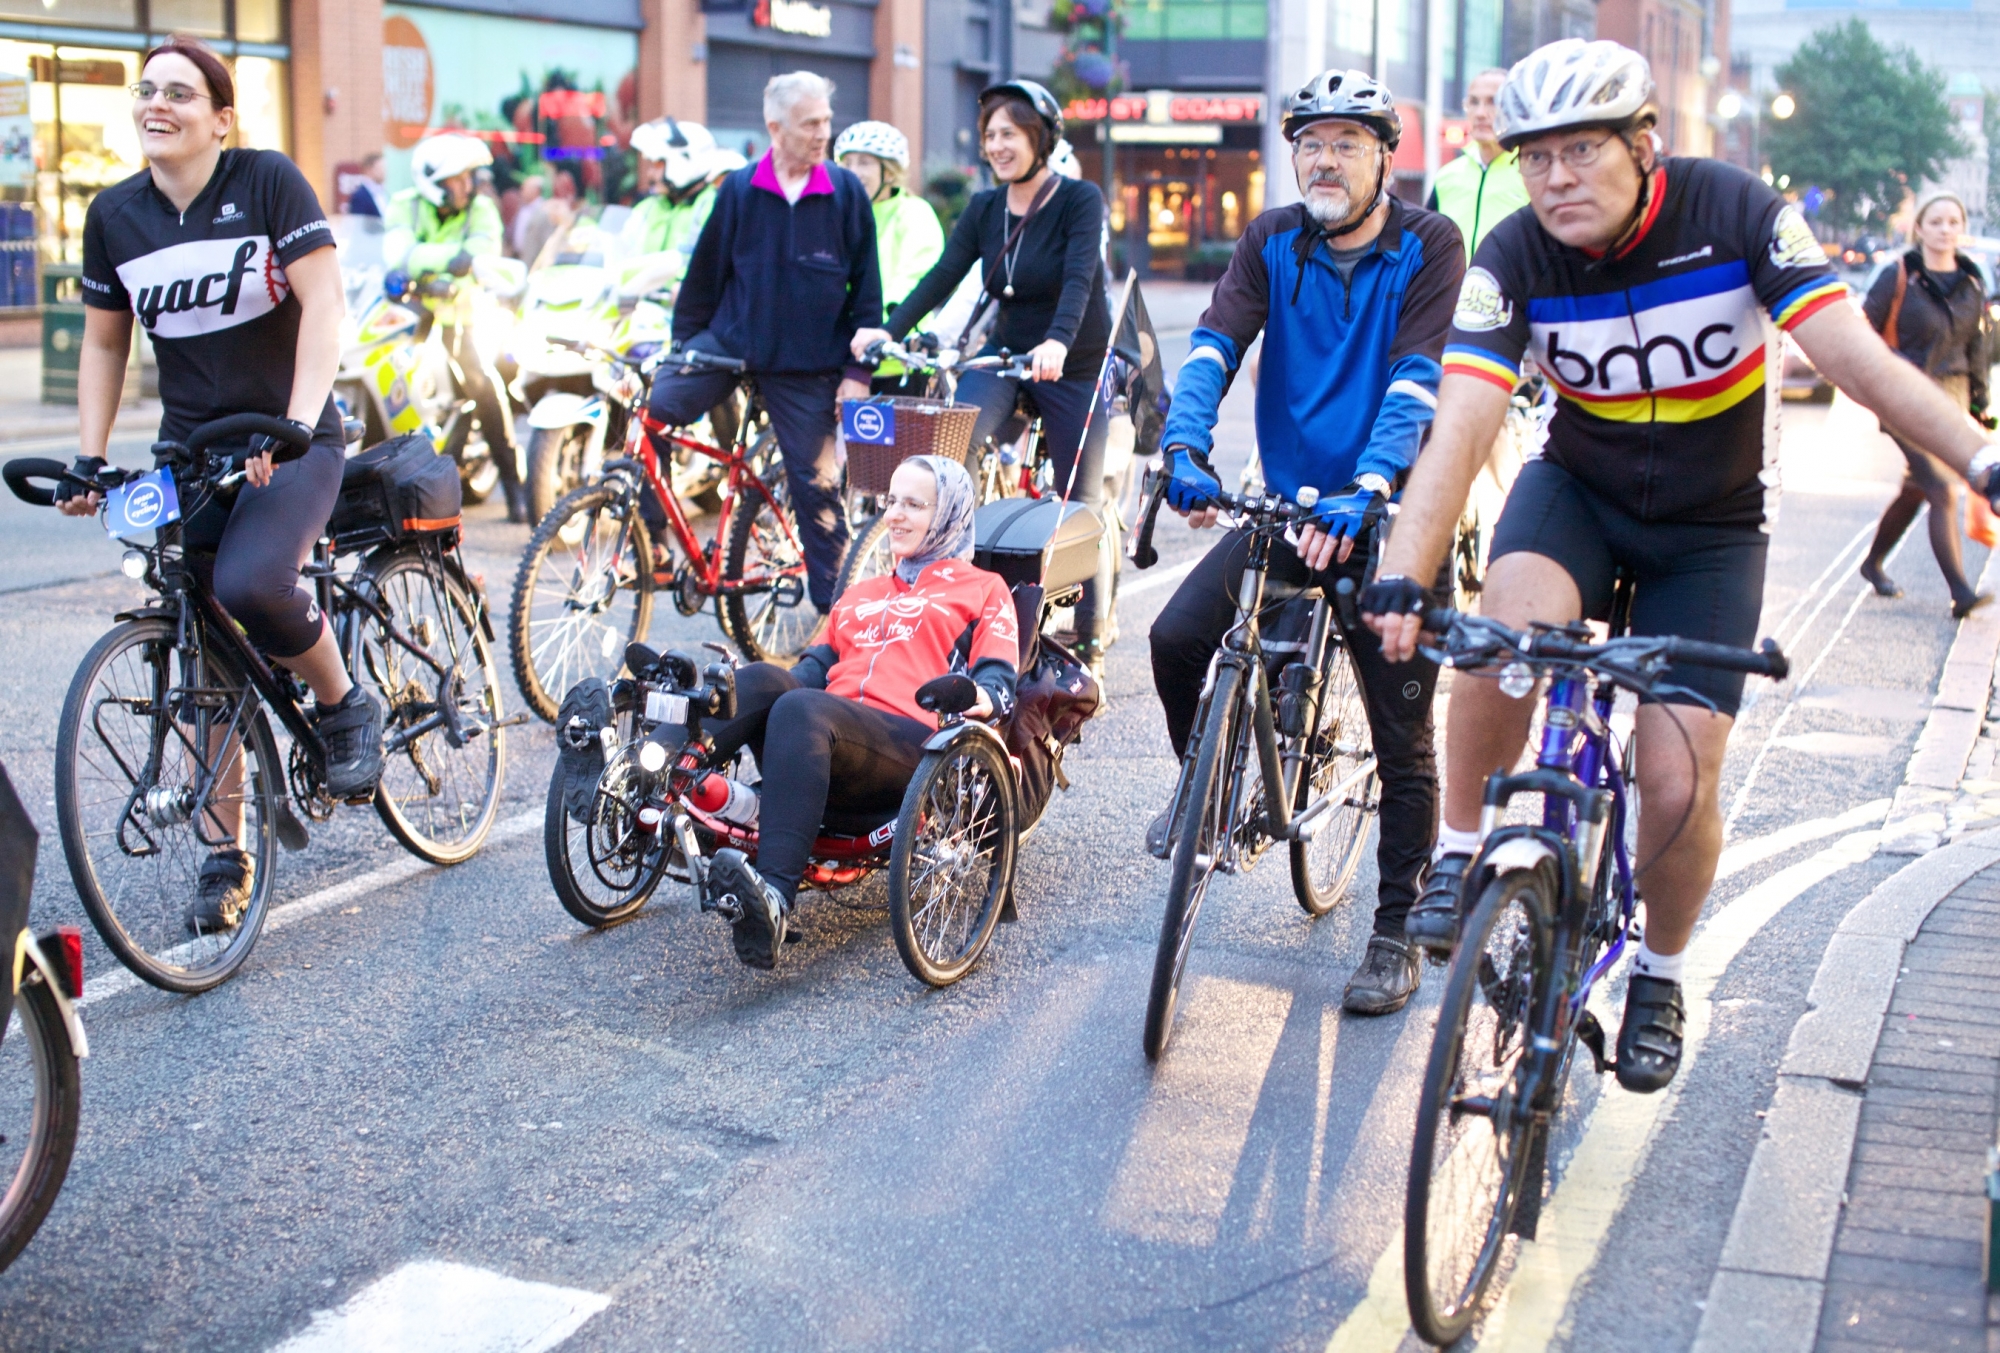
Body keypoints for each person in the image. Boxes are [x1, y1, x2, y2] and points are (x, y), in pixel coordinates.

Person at [1360, 38, 2000, 1094]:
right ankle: (1460, 849)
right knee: (1495, 642)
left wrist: (1978, 458)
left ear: (1642, 143)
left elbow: (1854, 362)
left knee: (1670, 776)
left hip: (1709, 528)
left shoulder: (1735, 214)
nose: (1555, 178)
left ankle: (1657, 975)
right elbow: (1463, 419)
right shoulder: (1513, 254)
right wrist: (1401, 571)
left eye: (1580, 152)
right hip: (1578, 496)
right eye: (1534, 158)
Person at [1146, 68, 1466, 1016]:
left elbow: (1416, 378)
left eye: (1347, 142)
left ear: (1384, 157)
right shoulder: (1272, 239)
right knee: (1174, 640)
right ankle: (1207, 788)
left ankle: (1394, 931)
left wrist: (1369, 488)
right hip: (1292, 506)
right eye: (1310, 143)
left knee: (1403, 734)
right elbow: (1213, 343)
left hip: (1389, 512)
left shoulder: (1429, 245)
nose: (1324, 159)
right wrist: (1182, 443)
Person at [60, 35, 380, 931]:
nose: (155, 104)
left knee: (251, 583)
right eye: (145, 90)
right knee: (200, 639)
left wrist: (298, 414)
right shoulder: (114, 215)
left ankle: (343, 700)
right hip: (193, 450)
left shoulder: (268, 180)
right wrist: (90, 458)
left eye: (179, 94)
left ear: (221, 118)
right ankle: (225, 852)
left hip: (293, 435)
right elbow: (103, 340)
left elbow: (326, 303)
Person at [702, 455, 1020, 968]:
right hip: (821, 740)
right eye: (890, 501)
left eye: (914, 504)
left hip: (908, 751)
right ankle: (654, 779)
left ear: (950, 516)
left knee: (802, 710)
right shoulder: (859, 595)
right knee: (762, 680)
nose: (894, 514)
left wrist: (969, 697)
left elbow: (999, 684)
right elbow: (807, 676)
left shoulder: (982, 589)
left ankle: (775, 899)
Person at [850, 80, 1116, 665]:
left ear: (1040, 139)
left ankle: (1091, 636)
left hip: (1073, 360)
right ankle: (958, 600)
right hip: (1005, 354)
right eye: (990, 135)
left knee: (1081, 493)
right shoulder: (984, 207)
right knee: (951, 454)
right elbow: (943, 276)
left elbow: (1079, 281)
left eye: (1010, 134)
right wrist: (890, 330)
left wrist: (1057, 342)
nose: (997, 145)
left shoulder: (1079, 199)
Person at [662, 71, 880, 615]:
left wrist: (858, 374)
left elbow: (868, 290)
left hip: (807, 365)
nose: (824, 133)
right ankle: (648, 542)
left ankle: (837, 626)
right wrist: (682, 345)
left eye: (827, 121)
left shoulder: (845, 191)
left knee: (818, 493)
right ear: (775, 128)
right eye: (812, 123)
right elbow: (705, 274)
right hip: (733, 343)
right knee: (653, 410)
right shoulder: (739, 189)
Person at [1858, 188, 1993, 615]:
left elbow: (1977, 347)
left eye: (1953, 222)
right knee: (1941, 489)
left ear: (1962, 229)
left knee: (1917, 488)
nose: (1945, 230)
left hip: (1951, 397)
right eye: (1936, 222)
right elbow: (1863, 332)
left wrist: (1979, 404)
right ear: (1919, 228)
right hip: (1904, 395)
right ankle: (1961, 593)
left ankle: (1872, 563)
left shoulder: (1971, 282)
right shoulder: (1898, 275)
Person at [384, 132, 529, 522]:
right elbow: (398, 254)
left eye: (469, 177)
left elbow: (482, 256)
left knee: (481, 384)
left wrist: (430, 264)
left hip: (462, 316)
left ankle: (515, 485)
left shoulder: (481, 209)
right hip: (413, 313)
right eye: (459, 178)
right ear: (435, 183)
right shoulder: (405, 205)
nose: (469, 186)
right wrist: (450, 260)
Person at [834, 120, 944, 396]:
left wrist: (875, 328)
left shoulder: (914, 214)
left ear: (891, 172)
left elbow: (914, 279)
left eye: (865, 163)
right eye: (847, 163)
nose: (854, 172)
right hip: (842, 360)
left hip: (898, 364)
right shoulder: (837, 216)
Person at [617, 119, 744, 295]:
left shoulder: (714, 206)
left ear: (684, 161)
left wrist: (687, 287)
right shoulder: (646, 208)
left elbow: (720, 266)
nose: (650, 173)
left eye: (658, 165)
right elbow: (620, 252)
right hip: (637, 308)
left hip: (688, 312)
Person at [1425, 68, 1529, 261]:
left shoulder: (1530, 172)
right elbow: (1424, 242)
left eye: (1493, 102)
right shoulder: (1446, 176)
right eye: (1474, 102)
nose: (1481, 113)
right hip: (1453, 290)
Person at [346, 151, 387, 218]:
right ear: (368, 170)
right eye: (380, 168)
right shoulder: (359, 196)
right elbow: (358, 223)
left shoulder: (384, 192)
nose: (384, 172)